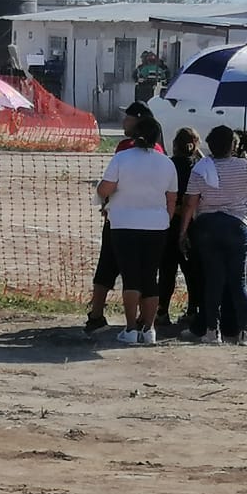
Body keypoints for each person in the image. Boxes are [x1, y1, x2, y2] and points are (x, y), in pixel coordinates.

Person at [180, 124, 247, 345]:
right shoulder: (244, 165)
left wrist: (183, 231)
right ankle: (245, 331)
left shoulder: (200, 168)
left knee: (213, 280)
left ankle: (211, 330)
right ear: (233, 145)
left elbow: (190, 203)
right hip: (238, 225)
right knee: (240, 280)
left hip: (208, 225)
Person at [97, 117, 178, 345]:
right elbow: (171, 198)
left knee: (131, 277)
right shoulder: (166, 163)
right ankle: (149, 329)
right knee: (150, 276)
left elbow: (106, 188)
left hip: (124, 223)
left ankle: (131, 328)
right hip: (156, 225)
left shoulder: (122, 158)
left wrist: (104, 193)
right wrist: (165, 219)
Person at [84, 101, 163, 333]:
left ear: (138, 121)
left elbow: (113, 183)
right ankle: (144, 321)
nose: (123, 122)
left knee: (109, 267)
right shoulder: (158, 150)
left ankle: (98, 315)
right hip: (151, 222)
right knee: (146, 273)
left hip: (121, 219)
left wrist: (106, 204)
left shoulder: (125, 148)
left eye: (128, 118)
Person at [157, 127, 205, 334]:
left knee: (167, 269)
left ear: (175, 145)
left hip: (168, 222)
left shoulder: (168, 164)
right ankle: (193, 308)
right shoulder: (199, 166)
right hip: (192, 223)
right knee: (192, 271)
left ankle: (162, 311)